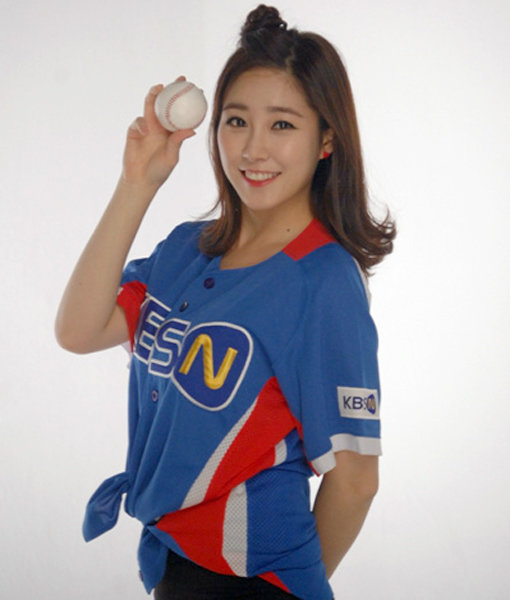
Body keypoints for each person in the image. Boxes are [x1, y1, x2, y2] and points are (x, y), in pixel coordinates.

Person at [55, 5, 395, 600]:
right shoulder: (187, 249)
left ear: (326, 139)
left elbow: (356, 479)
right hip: (171, 557)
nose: (253, 149)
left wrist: (288, 588)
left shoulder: (323, 281)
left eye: (282, 125)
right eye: (236, 121)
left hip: (249, 576)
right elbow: (78, 331)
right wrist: (137, 183)